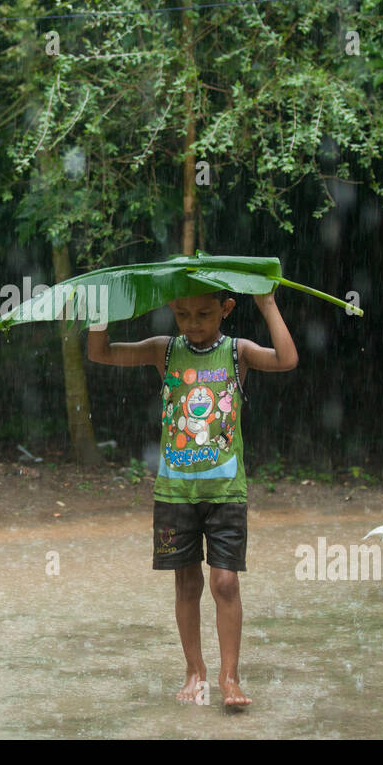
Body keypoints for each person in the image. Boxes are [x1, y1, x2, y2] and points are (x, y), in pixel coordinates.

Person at [87, 289, 297, 707]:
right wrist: (99, 310)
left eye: (203, 313)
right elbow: (101, 353)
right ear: (171, 310)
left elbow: (287, 359)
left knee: (225, 582)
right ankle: (194, 671)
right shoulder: (163, 351)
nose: (193, 323)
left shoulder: (238, 353)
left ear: (226, 308)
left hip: (226, 494)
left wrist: (268, 303)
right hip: (174, 494)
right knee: (186, 583)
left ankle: (229, 676)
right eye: (182, 314)